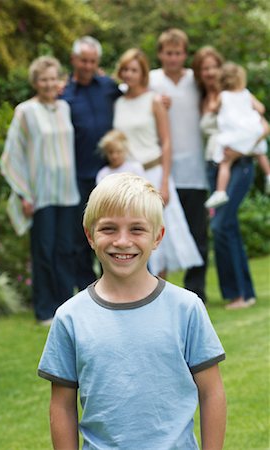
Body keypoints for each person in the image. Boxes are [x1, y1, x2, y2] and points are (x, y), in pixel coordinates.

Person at [38, 173, 226, 450]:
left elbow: (212, 393)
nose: (122, 241)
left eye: (137, 229)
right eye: (109, 229)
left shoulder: (186, 308)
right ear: (90, 235)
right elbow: (62, 406)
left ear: (157, 237)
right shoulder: (70, 318)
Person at [0, 56, 80, 325]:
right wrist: (24, 193)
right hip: (40, 195)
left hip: (68, 192)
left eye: (53, 78)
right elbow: (13, 154)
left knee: (66, 250)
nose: (48, 84)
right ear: (35, 82)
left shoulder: (65, 108)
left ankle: (66, 307)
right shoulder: (25, 111)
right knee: (44, 251)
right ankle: (45, 310)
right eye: (43, 79)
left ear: (60, 80)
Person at [113, 48, 203, 281]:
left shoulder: (154, 100)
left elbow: (166, 142)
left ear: (143, 73)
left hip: (154, 172)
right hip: (128, 177)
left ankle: (159, 289)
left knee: (158, 235)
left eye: (134, 70)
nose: (129, 74)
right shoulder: (118, 102)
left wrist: (164, 181)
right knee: (132, 231)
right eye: (125, 69)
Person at [193, 46, 257, 309]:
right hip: (214, 167)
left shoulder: (236, 96)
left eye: (213, 67)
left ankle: (240, 293)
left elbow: (262, 127)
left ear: (221, 68)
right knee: (226, 227)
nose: (209, 72)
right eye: (204, 68)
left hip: (237, 163)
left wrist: (239, 150)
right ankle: (241, 292)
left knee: (222, 225)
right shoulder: (202, 99)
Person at [149, 28, 209, 303]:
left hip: (195, 170)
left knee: (198, 233)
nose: (173, 58)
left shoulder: (196, 82)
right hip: (163, 173)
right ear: (160, 54)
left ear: (185, 54)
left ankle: (196, 292)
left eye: (178, 53)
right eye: (168, 53)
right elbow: (124, 94)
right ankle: (158, 291)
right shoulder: (151, 81)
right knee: (161, 233)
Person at [61, 36, 122, 290]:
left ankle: (120, 286)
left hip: (110, 175)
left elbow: (135, 95)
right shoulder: (63, 94)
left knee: (116, 232)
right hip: (78, 176)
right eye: (83, 60)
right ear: (74, 60)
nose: (87, 65)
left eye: (92, 61)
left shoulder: (109, 86)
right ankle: (88, 292)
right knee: (81, 238)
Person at [204, 61, 270, 208]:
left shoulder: (223, 95)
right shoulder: (246, 94)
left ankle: (220, 191)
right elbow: (261, 108)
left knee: (225, 162)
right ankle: (268, 175)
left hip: (234, 135)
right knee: (260, 153)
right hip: (252, 132)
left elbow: (213, 108)